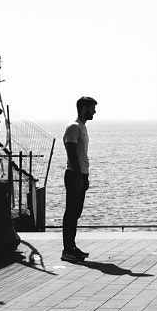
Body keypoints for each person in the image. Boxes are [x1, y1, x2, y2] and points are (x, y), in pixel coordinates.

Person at [60, 96, 97, 262]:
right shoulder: (74, 127)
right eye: (91, 108)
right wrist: (78, 176)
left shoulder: (82, 127)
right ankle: (67, 250)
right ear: (83, 108)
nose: (94, 111)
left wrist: (85, 177)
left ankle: (72, 247)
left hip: (81, 173)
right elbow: (72, 153)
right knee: (71, 212)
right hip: (74, 173)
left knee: (76, 213)